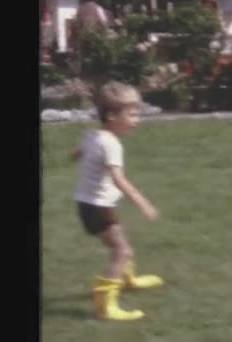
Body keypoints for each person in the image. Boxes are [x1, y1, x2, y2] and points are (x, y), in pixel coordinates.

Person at [71, 81, 163, 321]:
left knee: (121, 241)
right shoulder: (111, 144)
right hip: (97, 207)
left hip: (89, 204)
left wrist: (75, 155)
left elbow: (80, 149)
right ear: (112, 115)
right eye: (132, 114)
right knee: (121, 250)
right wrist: (143, 203)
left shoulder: (94, 134)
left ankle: (127, 279)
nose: (137, 119)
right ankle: (105, 305)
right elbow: (119, 179)